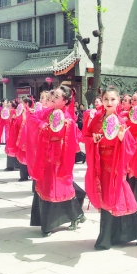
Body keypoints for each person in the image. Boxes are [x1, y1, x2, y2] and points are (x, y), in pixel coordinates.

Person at [84, 86, 137, 250]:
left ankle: (109, 238)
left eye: (112, 99)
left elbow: (130, 146)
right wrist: (94, 138)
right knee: (108, 198)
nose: (109, 102)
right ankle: (122, 233)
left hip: (114, 164)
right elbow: (85, 136)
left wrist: (121, 138)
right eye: (106, 99)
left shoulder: (120, 121)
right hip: (100, 163)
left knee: (119, 196)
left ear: (118, 101)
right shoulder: (97, 118)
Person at [28, 85, 85, 237]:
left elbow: (69, 143)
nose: (52, 98)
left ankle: (75, 217)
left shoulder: (68, 120)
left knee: (61, 189)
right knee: (45, 187)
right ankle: (48, 222)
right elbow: (33, 119)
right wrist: (42, 125)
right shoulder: (48, 112)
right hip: (45, 156)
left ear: (65, 101)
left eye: (57, 97)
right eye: (53, 95)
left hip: (58, 159)